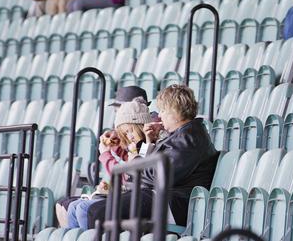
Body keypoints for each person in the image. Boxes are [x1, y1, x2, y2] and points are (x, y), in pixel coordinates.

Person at [85, 84, 219, 229]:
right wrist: (144, 142)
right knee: (96, 209)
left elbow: (159, 176)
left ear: (173, 111)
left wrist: (134, 163)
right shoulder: (183, 134)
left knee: (98, 212)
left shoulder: (190, 138)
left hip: (174, 203)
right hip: (162, 195)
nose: (159, 115)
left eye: (162, 110)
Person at [55, 85, 152, 227]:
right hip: (124, 192)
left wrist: (106, 154)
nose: (117, 113)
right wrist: (115, 146)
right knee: (64, 204)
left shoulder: (145, 138)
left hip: (135, 195)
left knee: (82, 208)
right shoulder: (130, 137)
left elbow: (127, 173)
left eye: (120, 108)